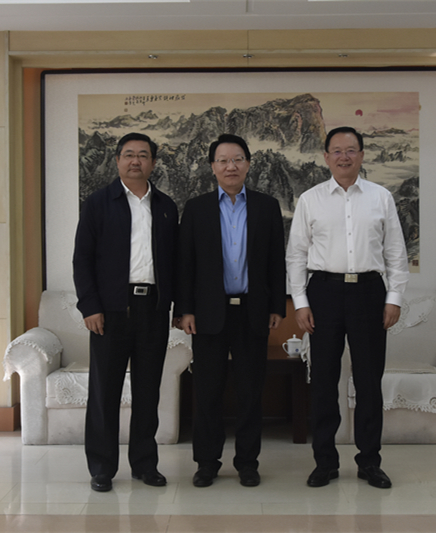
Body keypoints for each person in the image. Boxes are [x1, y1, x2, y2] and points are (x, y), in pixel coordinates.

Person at [285, 126, 409, 489]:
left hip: (369, 292)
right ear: (326, 157)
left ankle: (370, 462)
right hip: (323, 292)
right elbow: (296, 255)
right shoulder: (310, 199)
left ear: (362, 155)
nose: (344, 157)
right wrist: (300, 303)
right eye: (336, 151)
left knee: (369, 381)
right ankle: (325, 462)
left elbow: (396, 253)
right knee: (324, 381)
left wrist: (394, 298)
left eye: (351, 150)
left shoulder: (380, 197)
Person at [175, 134, 286, 488]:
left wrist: (276, 305)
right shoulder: (197, 208)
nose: (230, 166)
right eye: (223, 160)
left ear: (248, 164)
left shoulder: (267, 206)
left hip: (253, 311)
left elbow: (276, 260)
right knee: (207, 391)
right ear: (212, 167)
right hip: (208, 313)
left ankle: (247, 462)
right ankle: (207, 463)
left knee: (250, 391)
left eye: (237, 159)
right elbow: (185, 263)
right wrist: (185, 310)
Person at [72, 132, 178, 492]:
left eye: (143, 155)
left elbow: (175, 262)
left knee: (148, 391)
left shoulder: (165, 206)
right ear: (118, 160)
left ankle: (145, 465)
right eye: (129, 154)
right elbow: (82, 258)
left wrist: (176, 306)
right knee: (105, 391)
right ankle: (102, 468)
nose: (136, 161)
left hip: (153, 308)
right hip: (111, 310)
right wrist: (90, 306)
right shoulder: (99, 203)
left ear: (153, 163)